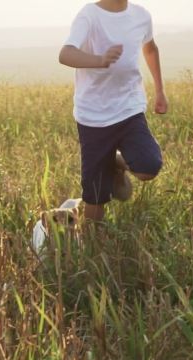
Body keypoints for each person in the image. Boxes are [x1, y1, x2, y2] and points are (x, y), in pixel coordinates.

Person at [59, 0, 167, 223]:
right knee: (96, 196)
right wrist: (99, 60)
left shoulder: (141, 16)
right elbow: (66, 54)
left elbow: (150, 48)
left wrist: (160, 91)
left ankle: (115, 162)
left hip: (129, 108)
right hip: (93, 116)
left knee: (149, 166)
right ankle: (93, 244)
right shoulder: (89, 15)